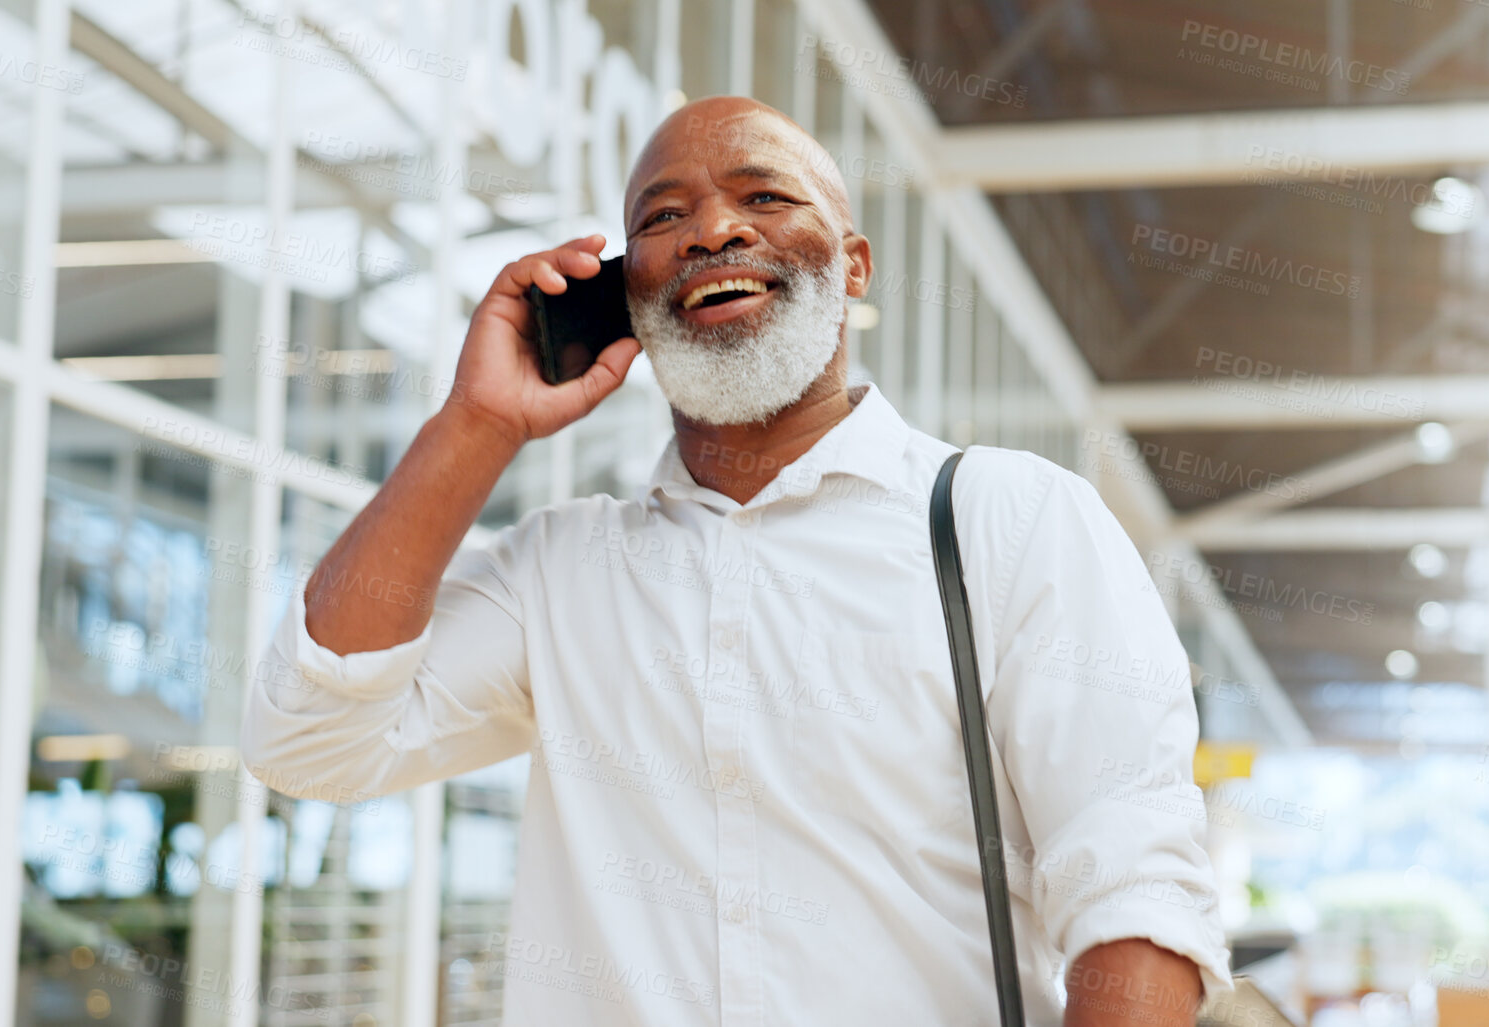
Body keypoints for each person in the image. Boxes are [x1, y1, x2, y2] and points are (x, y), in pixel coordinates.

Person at [242, 95, 1229, 1025]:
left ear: (852, 264)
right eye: (663, 216)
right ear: (624, 292)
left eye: (764, 195)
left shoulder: (1009, 520)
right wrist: (477, 426)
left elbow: (1131, 886)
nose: (714, 229)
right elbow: (306, 742)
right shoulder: (563, 571)